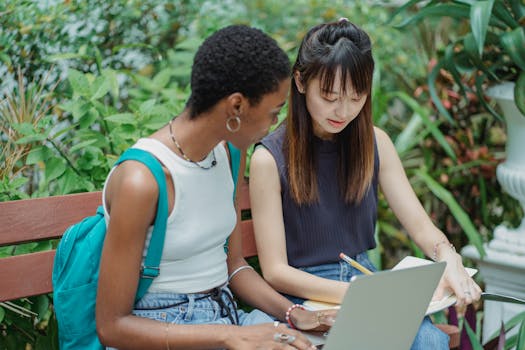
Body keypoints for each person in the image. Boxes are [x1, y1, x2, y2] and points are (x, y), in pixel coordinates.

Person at [96, 25, 335, 350]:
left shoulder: (229, 153)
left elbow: (234, 266)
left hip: (225, 317)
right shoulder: (143, 180)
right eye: (273, 113)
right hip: (162, 330)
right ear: (236, 106)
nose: (273, 127)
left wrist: (294, 312)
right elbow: (112, 327)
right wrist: (232, 336)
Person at [249, 19, 482, 350]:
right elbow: (275, 272)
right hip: (304, 295)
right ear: (301, 81)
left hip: (364, 281)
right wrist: (360, 296)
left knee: (428, 339)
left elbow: (420, 226)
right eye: (329, 96)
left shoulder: (376, 143)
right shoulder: (269, 159)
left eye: (356, 96)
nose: (342, 111)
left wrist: (450, 259)